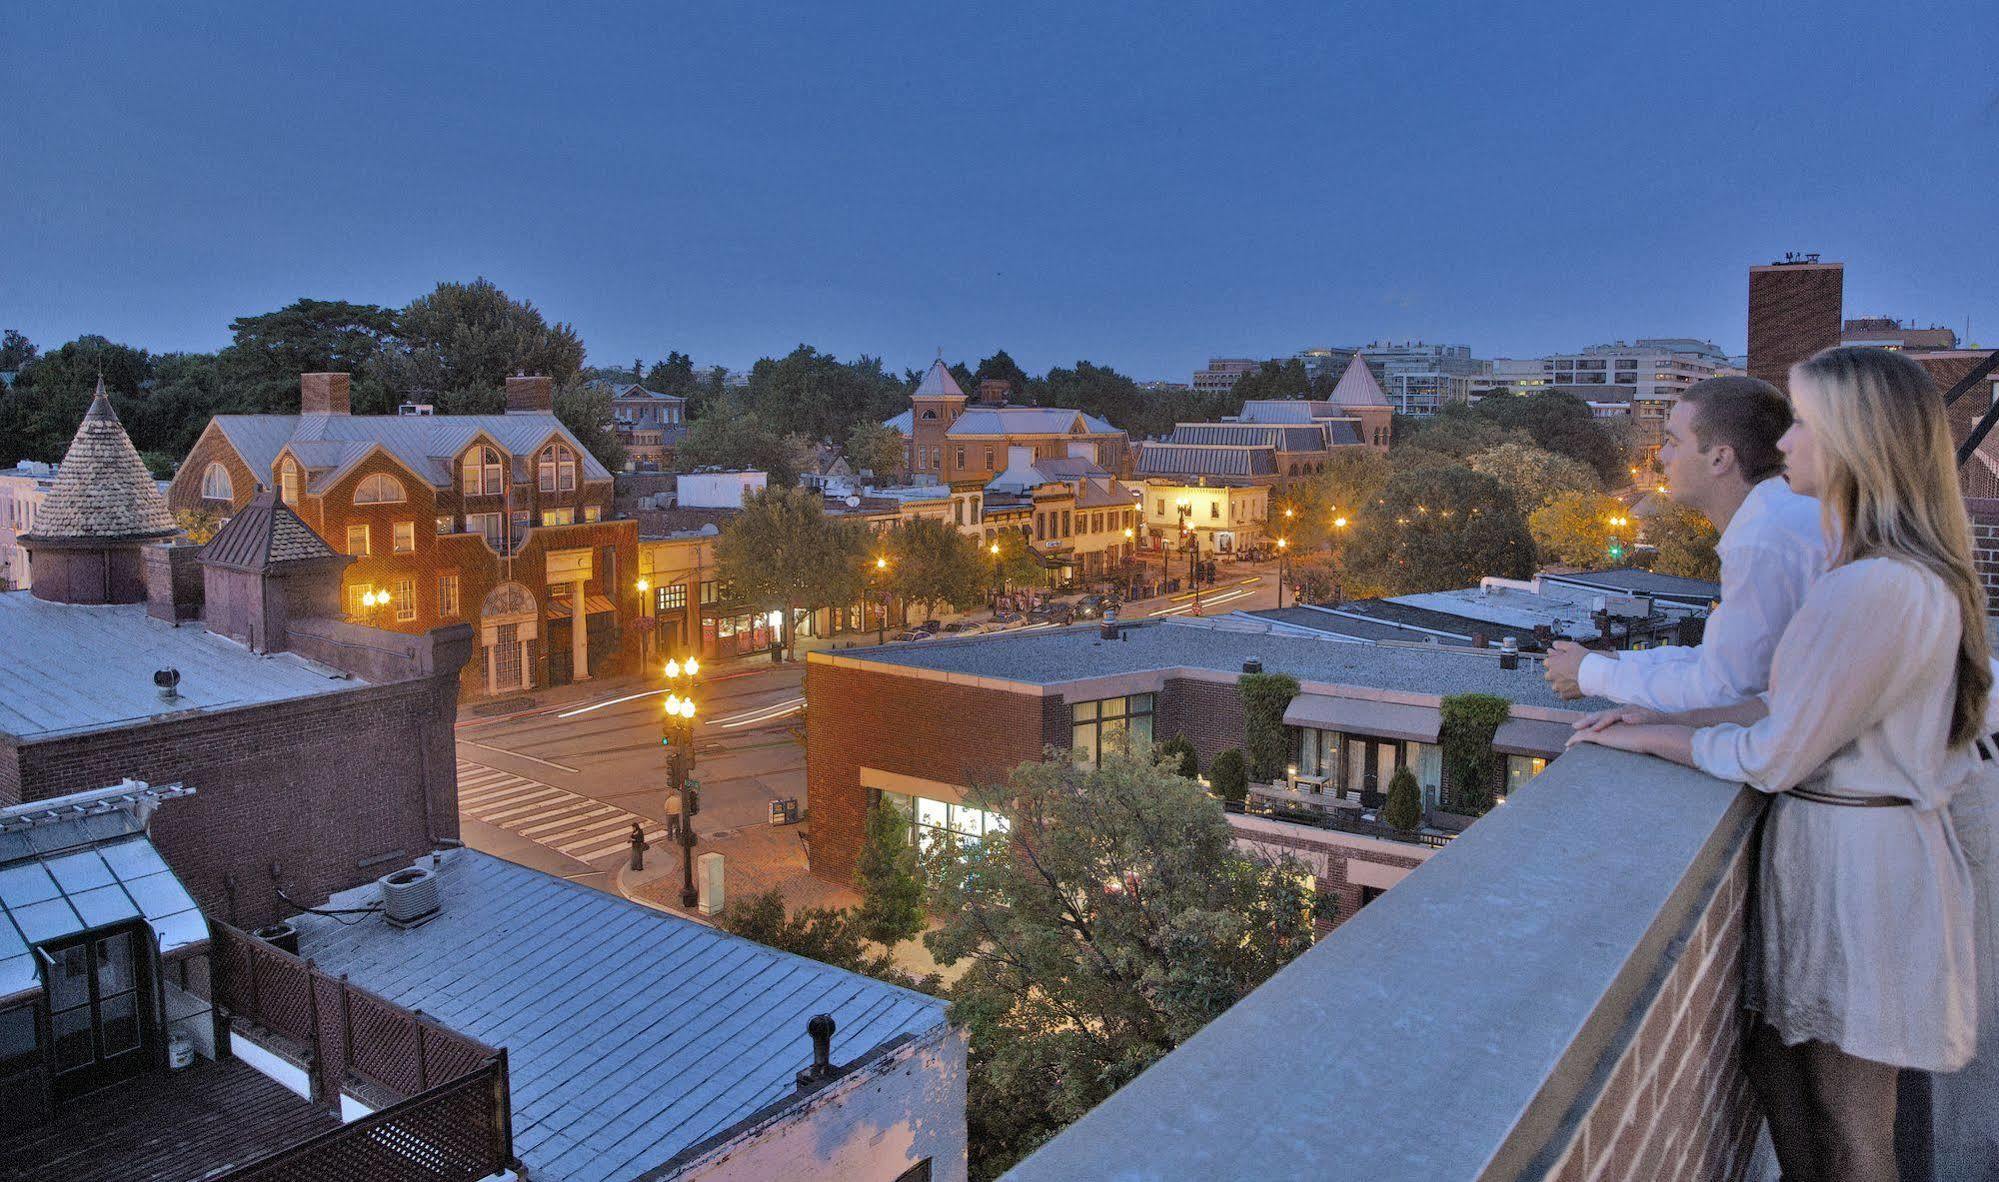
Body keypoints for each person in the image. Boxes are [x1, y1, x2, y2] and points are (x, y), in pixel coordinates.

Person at [1571, 347, 1987, 1180]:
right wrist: (1671, 713)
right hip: (1850, 857)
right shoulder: (1890, 575)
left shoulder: (1870, 587)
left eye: (1802, 423)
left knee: (1855, 1123)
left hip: (1860, 876)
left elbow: (1775, 751)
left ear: (1852, 442)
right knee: (1808, 1082)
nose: (1784, 444)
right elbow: (1797, 707)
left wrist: (1653, 736)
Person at [1543, 376, 1826, 709]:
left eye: (1674, 442)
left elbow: (1724, 690)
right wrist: (1610, 660)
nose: (1662, 456)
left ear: (1720, 458)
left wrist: (1591, 674)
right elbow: (1720, 662)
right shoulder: (1775, 520)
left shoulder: (1763, 542)